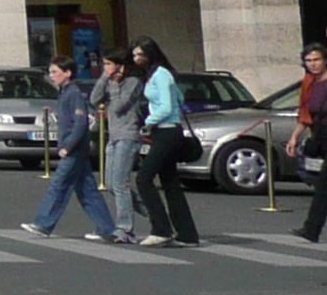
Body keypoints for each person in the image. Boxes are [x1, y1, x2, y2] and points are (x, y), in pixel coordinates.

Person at [18, 56, 123, 241]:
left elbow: (80, 124)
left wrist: (68, 147)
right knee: (87, 191)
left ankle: (43, 224)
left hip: (74, 150)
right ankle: (107, 229)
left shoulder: (73, 93)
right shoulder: (65, 93)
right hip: (73, 149)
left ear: (68, 73)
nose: (51, 76)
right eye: (50, 72)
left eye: (55, 72)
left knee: (59, 185)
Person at [131, 37, 201, 249]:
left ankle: (161, 229)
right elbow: (179, 98)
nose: (137, 59)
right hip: (166, 131)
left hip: (167, 132)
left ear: (151, 54)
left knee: (144, 178)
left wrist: (148, 122)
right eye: (134, 55)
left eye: (141, 55)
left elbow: (167, 106)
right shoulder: (157, 75)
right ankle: (187, 234)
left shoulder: (161, 74)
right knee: (170, 183)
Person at [288, 44, 327, 243]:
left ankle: (311, 229)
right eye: (309, 61)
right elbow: (306, 114)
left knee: (325, 184)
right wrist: (295, 137)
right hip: (320, 135)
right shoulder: (309, 83)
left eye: (316, 60)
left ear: (326, 60)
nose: (313, 64)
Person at [94, 48, 146, 242]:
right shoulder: (107, 81)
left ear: (120, 66)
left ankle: (125, 230)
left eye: (109, 64)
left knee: (121, 183)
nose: (105, 68)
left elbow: (119, 106)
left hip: (128, 135)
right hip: (113, 136)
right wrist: (103, 79)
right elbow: (94, 100)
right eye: (104, 64)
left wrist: (115, 85)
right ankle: (154, 213)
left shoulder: (133, 83)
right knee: (110, 184)